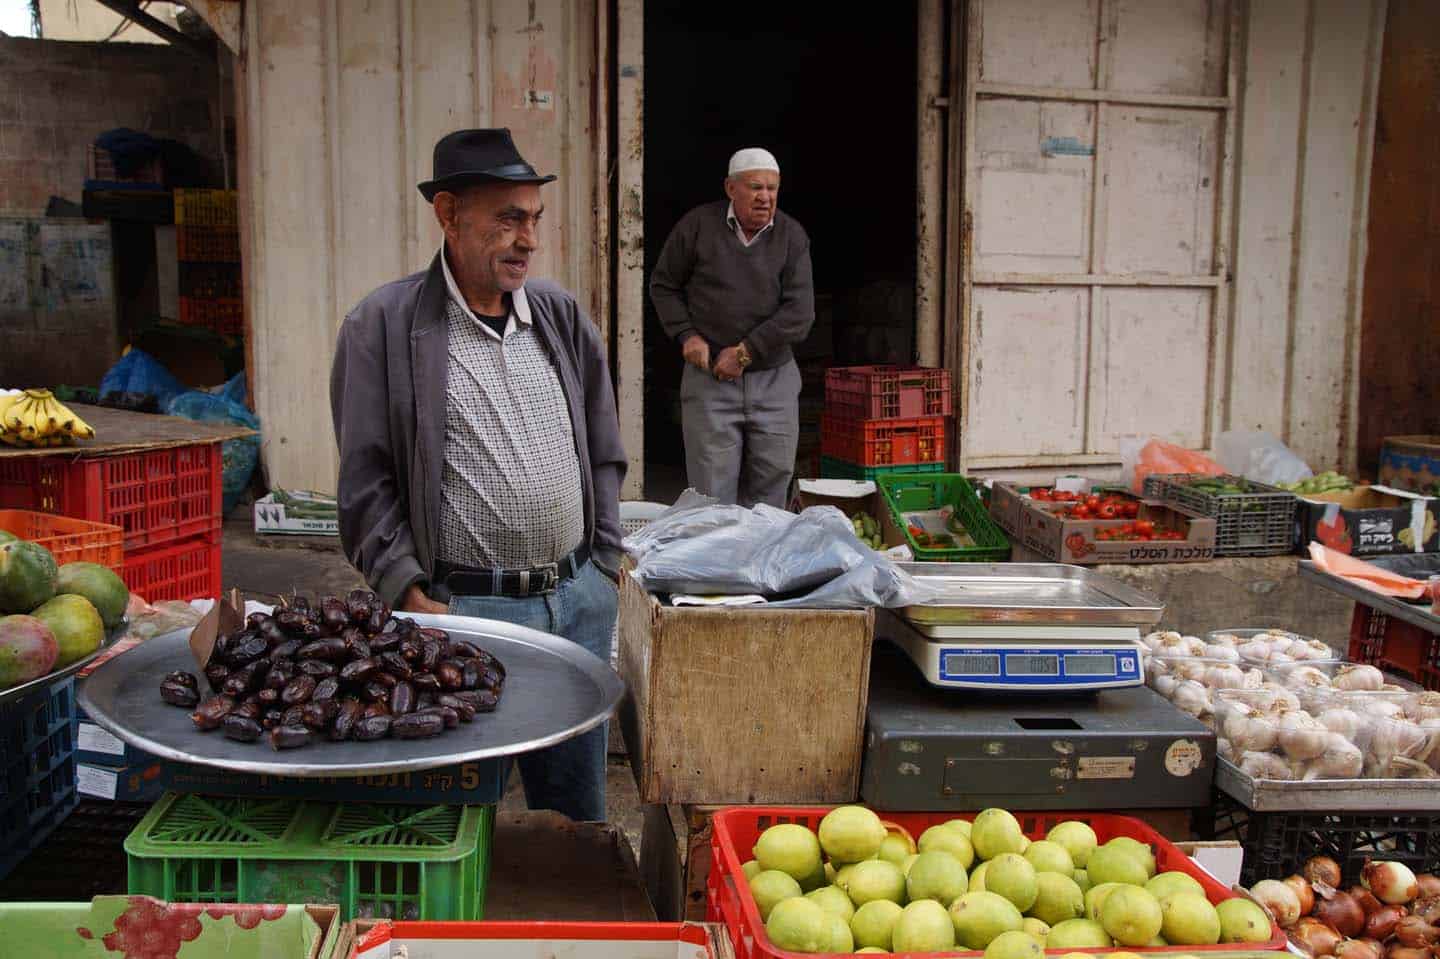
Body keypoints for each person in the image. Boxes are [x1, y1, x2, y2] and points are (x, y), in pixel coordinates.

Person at [330, 128, 626, 822]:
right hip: (466, 615)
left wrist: (606, 561)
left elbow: (605, 443)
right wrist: (404, 583)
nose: (527, 239)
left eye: (534, 219)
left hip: (576, 601)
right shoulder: (383, 324)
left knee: (575, 813)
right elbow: (365, 481)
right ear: (449, 214)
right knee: (458, 809)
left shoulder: (558, 316)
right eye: (507, 218)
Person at [649, 147, 816, 508]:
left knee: (772, 490)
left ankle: (764, 563)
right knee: (711, 495)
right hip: (709, 380)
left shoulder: (791, 236)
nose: (765, 197)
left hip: (773, 380)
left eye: (773, 189)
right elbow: (664, 285)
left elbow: (800, 313)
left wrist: (745, 352)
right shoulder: (696, 227)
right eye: (756, 187)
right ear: (730, 188)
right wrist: (686, 334)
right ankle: (717, 564)